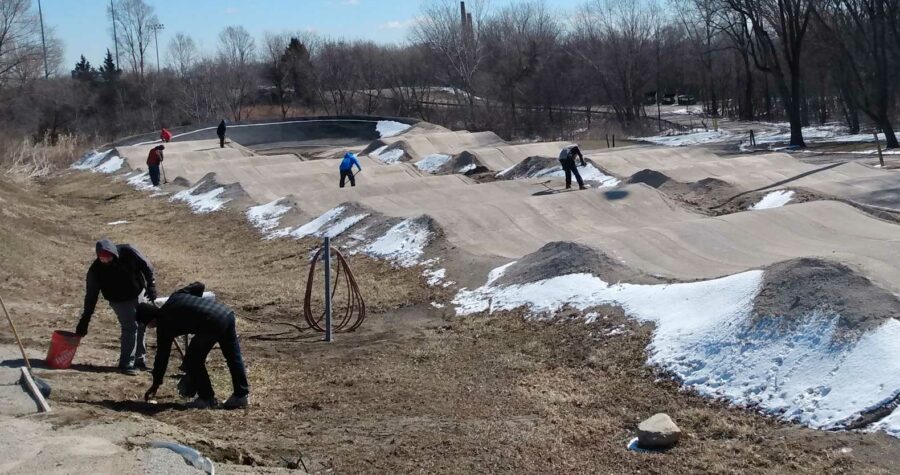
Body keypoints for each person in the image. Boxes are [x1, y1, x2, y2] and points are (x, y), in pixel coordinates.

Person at [138, 282, 250, 409]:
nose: (149, 328)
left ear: (150, 320)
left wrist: (156, 383)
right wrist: (194, 306)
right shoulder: (175, 297)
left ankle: (206, 398)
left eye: (147, 325)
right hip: (226, 314)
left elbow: (162, 357)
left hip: (210, 323)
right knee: (233, 356)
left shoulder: (164, 325)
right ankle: (241, 395)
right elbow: (199, 285)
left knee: (192, 361)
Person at [76, 239, 157, 375]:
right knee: (130, 327)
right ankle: (126, 363)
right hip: (118, 300)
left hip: (137, 291)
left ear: (113, 252)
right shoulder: (95, 270)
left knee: (142, 323)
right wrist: (85, 319)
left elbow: (146, 266)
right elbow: (91, 296)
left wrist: (151, 285)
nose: (105, 260)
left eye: (108, 256)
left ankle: (139, 359)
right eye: (102, 258)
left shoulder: (129, 252)